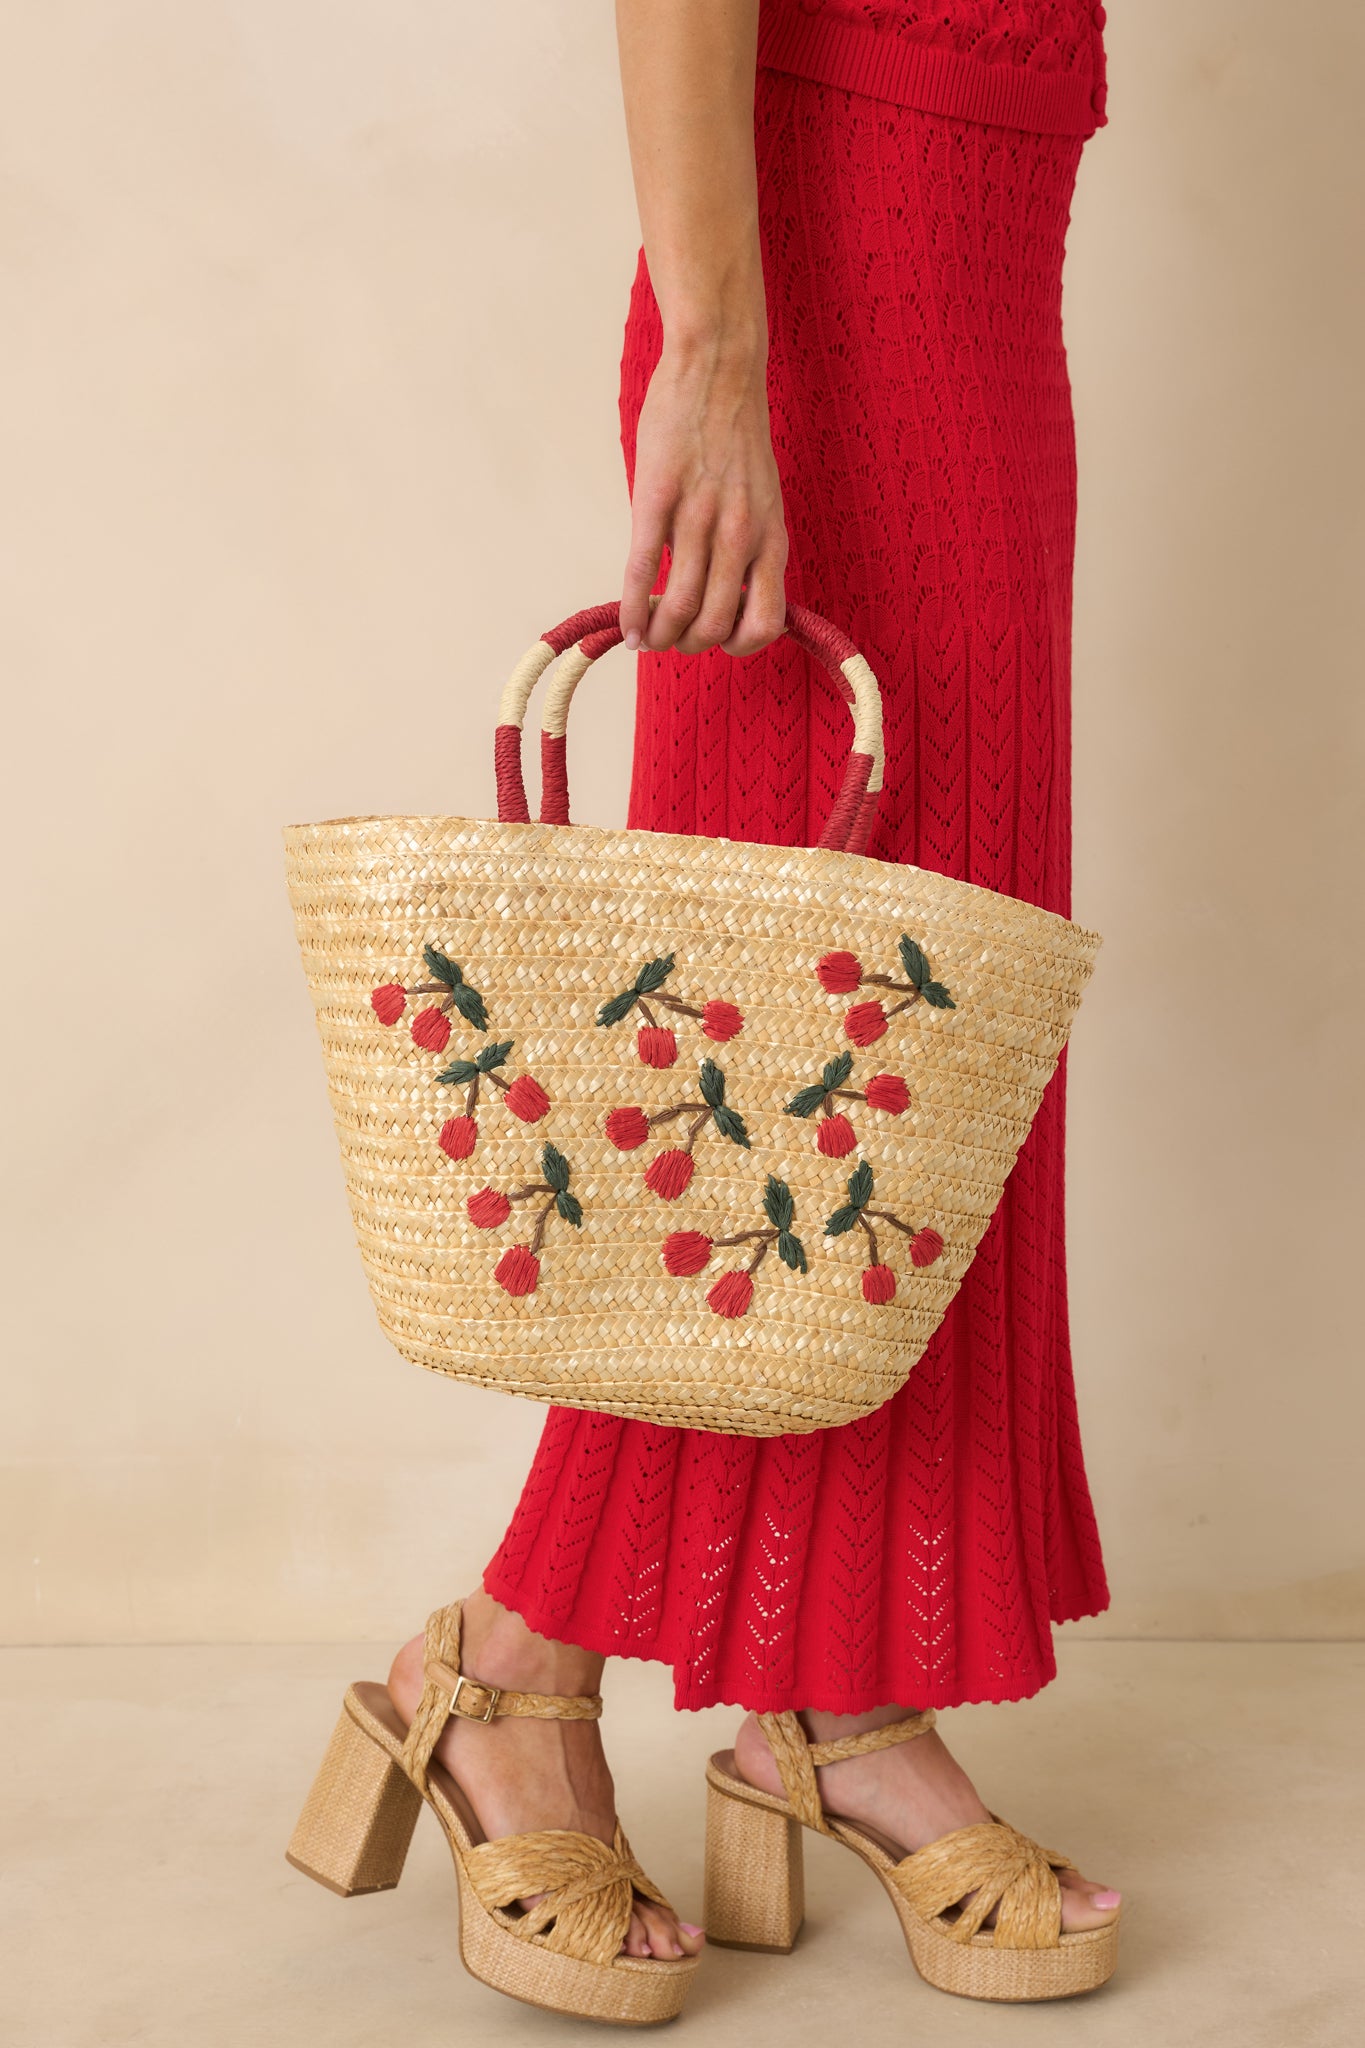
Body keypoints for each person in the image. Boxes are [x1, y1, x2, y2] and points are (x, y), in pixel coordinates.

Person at [291, 0, 1122, 2021]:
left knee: (916, 1040)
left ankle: (829, 1698)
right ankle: (518, 1661)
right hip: (822, 240)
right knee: (778, 1066)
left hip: (988, 242)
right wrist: (720, 347)